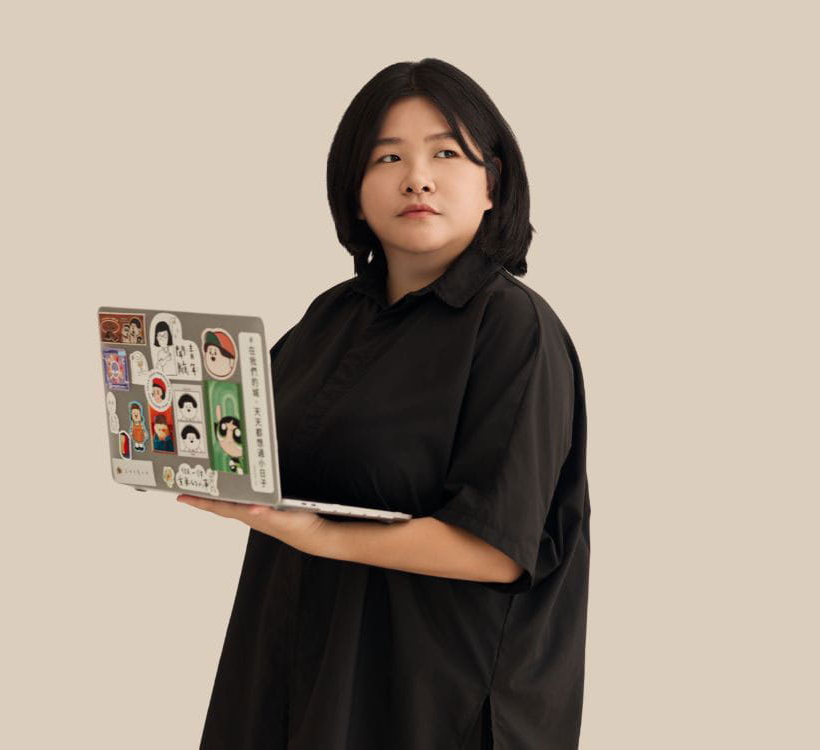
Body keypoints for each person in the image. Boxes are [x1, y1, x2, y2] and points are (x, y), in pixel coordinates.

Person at [178, 58, 590, 749]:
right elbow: (259, 458)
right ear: (355, 188)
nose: (417, 178)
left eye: (446, 153)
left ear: (493, 182)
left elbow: (498, 548)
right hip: (291, 676)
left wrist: (321, 535)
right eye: (388, 156)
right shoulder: (330, 317)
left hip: (426, 700)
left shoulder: (514, 328)